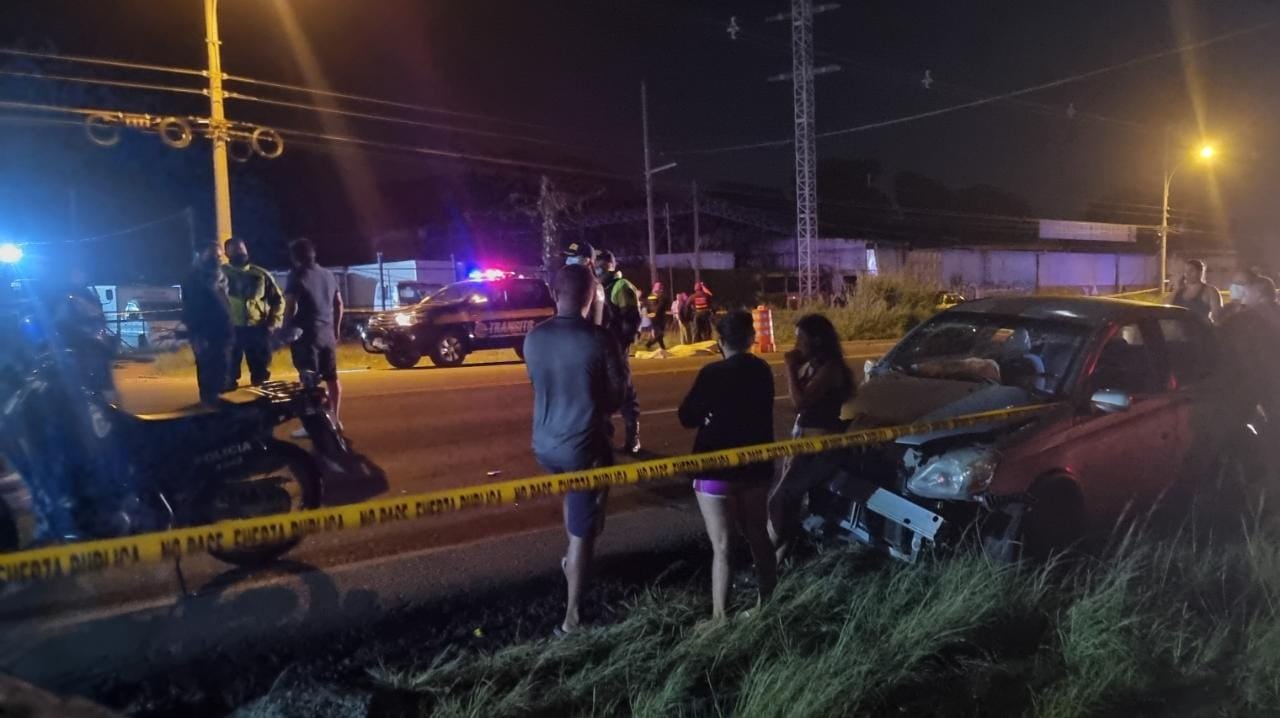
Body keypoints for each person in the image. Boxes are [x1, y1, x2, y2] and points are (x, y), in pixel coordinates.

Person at [523, 264, 627, 635]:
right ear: (591, 296)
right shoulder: (601, 339)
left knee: (575, 506)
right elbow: (617, 396)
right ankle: (573, 618)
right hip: (583, 447)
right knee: (586, 531)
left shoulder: (533, 338)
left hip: (545, 445)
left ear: (554, 294)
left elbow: (538, 381)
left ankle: (572, 562)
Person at [678, 310, 777, 620]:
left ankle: (721, 618)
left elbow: (686, 417)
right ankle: (768, 605)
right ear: (751, 338)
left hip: (716, 468)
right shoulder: (762, 370)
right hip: (755, 467)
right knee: (758, 536)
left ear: (720, 342)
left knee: (722, 546)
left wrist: (709, 415)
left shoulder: (712, 373)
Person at [768, 314, 855, 563]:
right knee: (789, 506)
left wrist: (789, 369)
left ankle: (761, 562)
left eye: (801, 339)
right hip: (803, 441)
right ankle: (776, 565)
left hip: (819, 446)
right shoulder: (813, 365)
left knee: (780, 501)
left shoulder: (831, 369)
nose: (797, 345)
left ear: (817, 340)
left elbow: (800, 402)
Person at [282, 238, 344, 436]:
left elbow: (290, 305)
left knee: (310, 382)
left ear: (294, 257)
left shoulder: (296, 275)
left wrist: (285, 328)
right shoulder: (328, 274)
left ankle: (316, 427)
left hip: (307, 336)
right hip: (327, 334)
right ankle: (335, 420)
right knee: (332, 378)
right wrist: (336, 329)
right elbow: (339, 304)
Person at [596, 250, 643, 453]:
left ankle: (633, 438)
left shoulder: (621, 287)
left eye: (600, 266)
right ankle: (605, 436)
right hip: (599, 348)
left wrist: (620, 345)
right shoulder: (598, 287)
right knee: (599, 393)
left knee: (624, 392)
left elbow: (631, 319)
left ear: (609, 266)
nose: (597, 270)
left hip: (615, 349)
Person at [223, 237, 284, 388]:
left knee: (260, 374)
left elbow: (278, 300)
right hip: (230, 330)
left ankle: (261, 407)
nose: (240, 252)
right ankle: (228, 408)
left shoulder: (261, 274)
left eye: (242, 249)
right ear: (227, 253)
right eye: (235, 250)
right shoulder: (220, 275)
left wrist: (273, 323)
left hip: (257, 329)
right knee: (228, 374)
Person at [181, 242, 234, 407]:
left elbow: (225, 304)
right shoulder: (193, 279)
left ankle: (220, 400)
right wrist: (195, 334)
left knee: (222, 366)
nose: (216, 259)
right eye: (212, 256)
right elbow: (192, 309)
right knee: (206, 367)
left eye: (219, 256)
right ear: (201, 255)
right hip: (203, 332)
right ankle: (207, 402)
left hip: (223, 330)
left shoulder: (221, 277)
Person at [563, 241, 607, 327]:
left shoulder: (595, 287)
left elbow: (596, 324)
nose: (568, 261)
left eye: (574, 257)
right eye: (568, 257)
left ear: (587, 260)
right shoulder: (567, 283)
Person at [1169, 259, 1222, 323]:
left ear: (1200, 272)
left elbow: (1217, 317)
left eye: (1191, 270)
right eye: (1185, 271)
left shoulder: (1210, 291)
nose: (1187, 274)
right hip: (1178, 329)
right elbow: (1168, 310)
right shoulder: (1179, 291)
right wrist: (1176, 290)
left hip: (1200, 329)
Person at [645, 282, 670, 352]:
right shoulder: (660, 297)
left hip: (653, 317)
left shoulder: (650, 296)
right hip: (658, 318)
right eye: (661, 288)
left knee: (659, 333)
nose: (662, 289)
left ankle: (663, 347)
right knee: (660, 333)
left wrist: (649, 315)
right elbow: (660, 307)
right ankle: (649, 344)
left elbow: (648, 306)